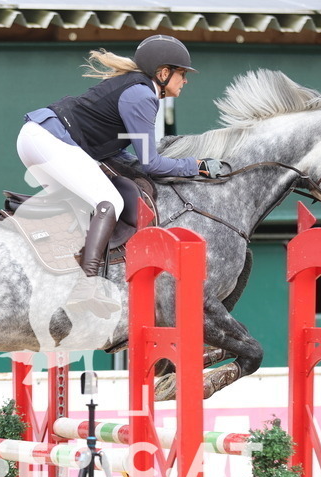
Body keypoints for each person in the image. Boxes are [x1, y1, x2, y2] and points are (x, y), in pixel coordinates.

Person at [17, 34, 222, 317]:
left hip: (38, 137)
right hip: (49, 140)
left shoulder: (136, 88)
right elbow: (151, 164)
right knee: (110, 201)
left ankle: (57, 274)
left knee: (84, 206)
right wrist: (197, 166)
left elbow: (121, 154)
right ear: (163, 73)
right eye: (182, 74)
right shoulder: (143, 96)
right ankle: (85, 286)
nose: (185, 80)